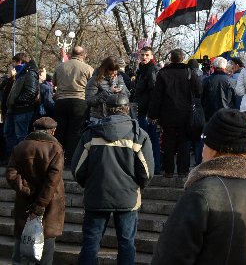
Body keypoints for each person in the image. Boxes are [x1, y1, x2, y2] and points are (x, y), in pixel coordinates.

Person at [151, 109, 246, 265]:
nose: (202, 151)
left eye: (204, 142)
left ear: (214, 148)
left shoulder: (201, 195)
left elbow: (170, 257)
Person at [71, 93, 154, 265]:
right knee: (126, 243)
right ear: (127, 109)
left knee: (91, 243)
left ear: (105, 110)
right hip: (127, 196)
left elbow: (78, 168)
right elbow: (146, 172)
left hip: (96, 194)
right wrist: (136, 185)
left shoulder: (91, 133)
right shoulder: (138, 134)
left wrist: (89, 184)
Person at [6, 117, 65, 265]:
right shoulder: (55, 148)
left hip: (24, 203)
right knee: (45, 252)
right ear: (53, 131)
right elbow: (53, 180)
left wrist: (26, 190)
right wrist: (40, 203)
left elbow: (11, 174)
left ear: (34, 129)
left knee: (20, 250)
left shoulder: (20, 147)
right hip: (49, 205)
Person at [149, 49, 201, 177]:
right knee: (184, 142)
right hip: (186, 114)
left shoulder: (163, 73)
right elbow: (199, 92)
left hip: (167, 114)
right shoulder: (190, 72)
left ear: (171, 59)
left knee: (168, 142)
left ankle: (169, 171)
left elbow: (157, 97)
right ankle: (183, 171)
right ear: (182, 58)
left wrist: (152, 114)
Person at [53, 46, 93, 163]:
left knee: (60, 130)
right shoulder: (88, 68)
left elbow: (54, 83)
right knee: (75, 131)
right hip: (79, 101)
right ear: (84, 55)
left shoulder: (60, 66)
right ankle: (72, 159)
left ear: (71, 54)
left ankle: (57, 157)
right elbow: (93, 85)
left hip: (61, 101)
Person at [133, 46, 161, 175]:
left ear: (151, 56)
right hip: (140, 110)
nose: (144, 57)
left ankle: (154, 167)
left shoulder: (151, 70)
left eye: (147, 55)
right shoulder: (141, 70)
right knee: (143, 139)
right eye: (142, 54)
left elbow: (155, 93)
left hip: (148, 113)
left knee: (150, 139)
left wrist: (152, 113)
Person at [5, 52, 39, 154]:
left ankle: (21, 158)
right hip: (13, 109)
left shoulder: (29, 74)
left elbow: (31, 92)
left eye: (14, 62)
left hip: (22, 109)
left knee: (21, 135)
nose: (13, 65)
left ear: (20, 62)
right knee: (8, 133)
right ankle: (12, 157)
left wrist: (17, 101)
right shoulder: (19, 75)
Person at [85, 56, 130, 121]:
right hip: (99, 118)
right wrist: (109, 92)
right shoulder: (94, 80)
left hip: (118, 117)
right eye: (112, 70)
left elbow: (127, 95)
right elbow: (90, 101)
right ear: (105, 69)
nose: (114, 73)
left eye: (116, 70)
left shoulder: (119, 78)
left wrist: (121, 90)